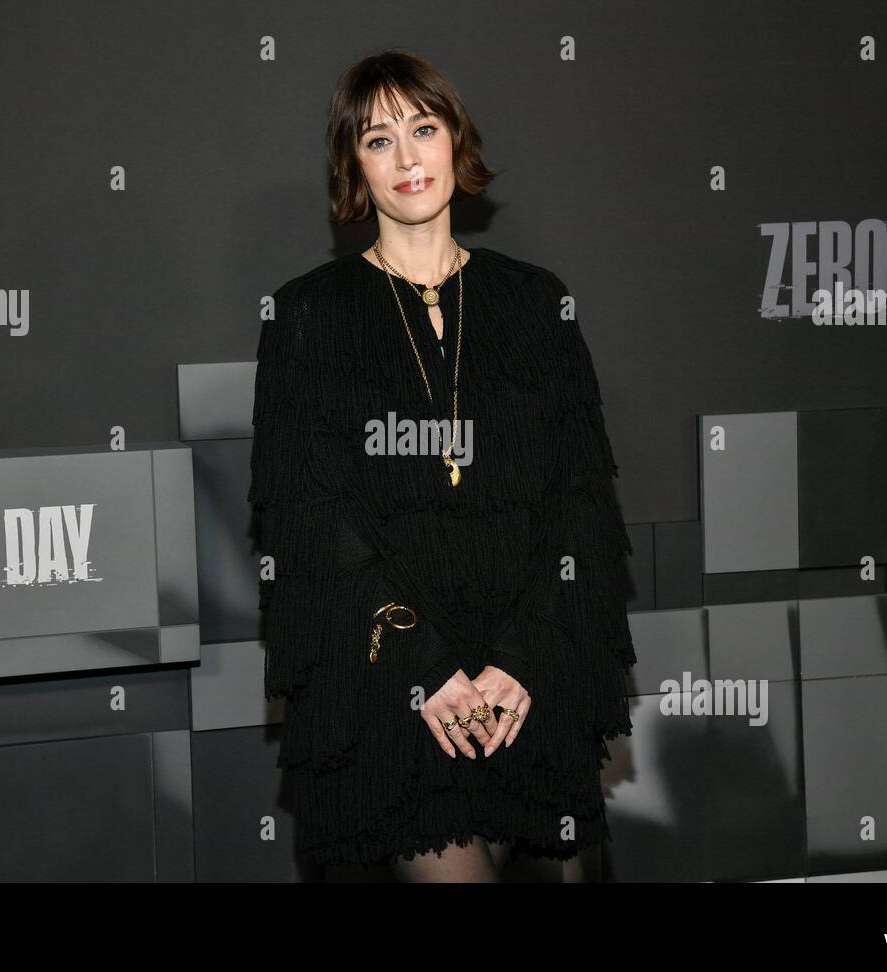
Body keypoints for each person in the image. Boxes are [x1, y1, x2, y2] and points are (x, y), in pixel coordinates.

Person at [248, 48, 637, 882]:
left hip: (530, 675)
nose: (407, 157)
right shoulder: (307, 318)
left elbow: (580, 501)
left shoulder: (537, 303)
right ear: (355, 166)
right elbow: (310, 519)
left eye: (422, 129)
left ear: (457, 142)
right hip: (393, 690)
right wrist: (428, 673)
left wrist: (522, 661)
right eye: (378, 139)